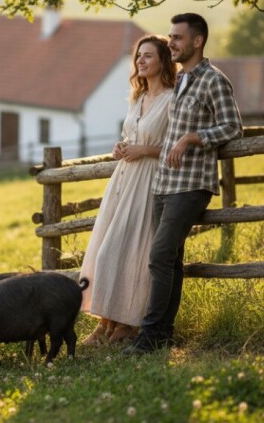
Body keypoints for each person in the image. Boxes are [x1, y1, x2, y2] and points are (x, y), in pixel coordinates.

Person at [124, 13, 243, 355]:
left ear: (197, 41)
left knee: (159, 255)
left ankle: (149, 336)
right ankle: (162, 335)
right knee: (171, 260)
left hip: (191, 184)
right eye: (171, 36)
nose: (171, 42)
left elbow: (233, 127)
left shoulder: (213, 80)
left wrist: (194, 137)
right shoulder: (184, 80)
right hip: (164, 182)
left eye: (177, 38)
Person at [79, 34, 177, 345]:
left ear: (163, 60)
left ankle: (128, 323)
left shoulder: (172, 100)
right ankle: (106, 321)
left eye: (148, 56)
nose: (141, 61)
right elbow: (129, 136)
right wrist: (122, 147)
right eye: (138, 56)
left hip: (150, 181)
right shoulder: (137, 98)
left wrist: (144, 150)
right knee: (106, 251)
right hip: (123, 179)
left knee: (132, 252)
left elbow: (176, 148)